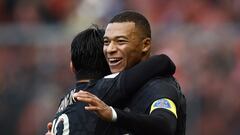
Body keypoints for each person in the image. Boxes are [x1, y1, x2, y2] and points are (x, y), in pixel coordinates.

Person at [46, 25, 176, 135]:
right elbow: (163, 62)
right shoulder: (102, 88)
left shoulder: (64, 102)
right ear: (108, 62)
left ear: (72, 66)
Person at [74, 11, 186, 135]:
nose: (110, 49)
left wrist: (113, 114)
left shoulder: (159, 87)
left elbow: (164, 126)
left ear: (145, 45)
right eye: (106, 42)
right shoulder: (111, 87)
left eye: (120, 41)